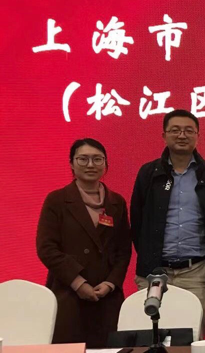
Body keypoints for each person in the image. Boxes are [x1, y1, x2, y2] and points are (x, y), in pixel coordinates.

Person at [130, 110, 205, 335]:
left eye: (189, 131)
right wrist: (149, 256)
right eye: (175, 130)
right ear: (164, 135)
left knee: (192, 335)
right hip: (154, 271)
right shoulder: (148, 173)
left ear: (198, 136)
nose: (182, 135)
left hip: (196, 272)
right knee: (150, 334)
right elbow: (137, 221)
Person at [36, 138, 131, 348]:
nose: (90, 165)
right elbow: (46, 248)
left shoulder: (116, 202)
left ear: (106, 164)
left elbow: (124, 249)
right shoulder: (57, 200)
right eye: (83, 159)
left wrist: (110, 283)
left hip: (107, 298)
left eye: (97, 159)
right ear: (71, 163)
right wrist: (78, 283)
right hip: (68, 294)